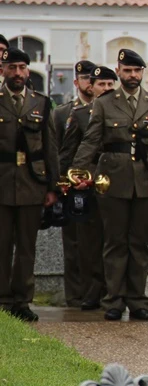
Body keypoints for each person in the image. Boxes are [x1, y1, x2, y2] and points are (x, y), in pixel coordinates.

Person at [72, 49, 148, 322]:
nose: (132, 75)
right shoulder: (104, 103)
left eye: (137, 71)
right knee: (115, 242)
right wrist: (78, 171)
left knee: (139, 243)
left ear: (143, 72)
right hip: (112, 180)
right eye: (127, 70)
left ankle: (138, 301)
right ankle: (114, 300)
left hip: (146, 181)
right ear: (118, 72)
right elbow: (91, 140)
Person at [0, 48, 60, 322]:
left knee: (27, 246)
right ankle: (2, 299)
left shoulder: (41, 103)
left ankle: (22, 300)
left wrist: (52, 187)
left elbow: (50, 148)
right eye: (12, 67)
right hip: (2, 183)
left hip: (31, 183)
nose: (18, 73)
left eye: (22, 67)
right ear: (3, 70)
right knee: (2, 245)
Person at [59, 65, 117, 310]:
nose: (105, 89)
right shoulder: (80, 115)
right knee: (89, 243)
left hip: (117, 183)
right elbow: (68, 152)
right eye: (101, 84)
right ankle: (92, 291)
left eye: (109, 85)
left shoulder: (122, 113)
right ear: (90, 87)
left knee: (115, 240)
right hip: (88, 184)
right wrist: (69, 180)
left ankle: (114, 292)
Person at [54, 60, 98, 308]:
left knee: (95, 244)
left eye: (93, 79)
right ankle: (74, 296)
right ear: (76, 82)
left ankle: (95, 294)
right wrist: (61, 183)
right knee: (72, 245)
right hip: (71, 186)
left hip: (97, 184)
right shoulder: (62, 113)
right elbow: (59, 149)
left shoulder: (105, 109)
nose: (89, 84)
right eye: (85, 79)